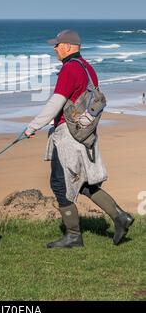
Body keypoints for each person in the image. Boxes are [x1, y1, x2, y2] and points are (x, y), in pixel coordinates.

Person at [24, 29, 134, 249]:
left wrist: (32, 126)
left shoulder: (69, 69)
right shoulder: (88, 68)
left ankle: (73, 236)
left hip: (68, 136)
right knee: (83, 182)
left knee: (59, 183)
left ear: (68, 46)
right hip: (85, 133)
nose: (54, 48)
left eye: (57, 44)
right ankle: (120, 217)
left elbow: (56, 102)